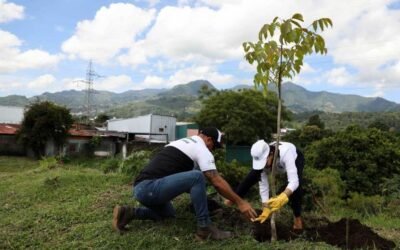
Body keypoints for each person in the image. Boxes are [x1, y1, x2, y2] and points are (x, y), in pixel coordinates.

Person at [112, 127, 257, 240]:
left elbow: (187, 183)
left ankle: (129, 213)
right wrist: (240, 202)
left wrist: (208, 200)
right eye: (214, 146)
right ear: (208, 139)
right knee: (197, 176)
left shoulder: (180, 143)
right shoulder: (201, 148)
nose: (212, 149)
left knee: (169, 214)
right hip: (150, 188)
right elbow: (216, 181)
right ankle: (205, 228)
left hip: (142, 189)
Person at [226, 139, 304, 230]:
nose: (263, 165)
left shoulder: (287, 154)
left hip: (295, 157)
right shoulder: (259, 156)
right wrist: (265, 206)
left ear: (271, 154)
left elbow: (294, 181)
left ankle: (297, 218)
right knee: (253, 175)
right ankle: (232, 199)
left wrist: (283, 196)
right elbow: (263, 185)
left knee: (296, 189)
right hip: (275, 160)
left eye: (264, 162)